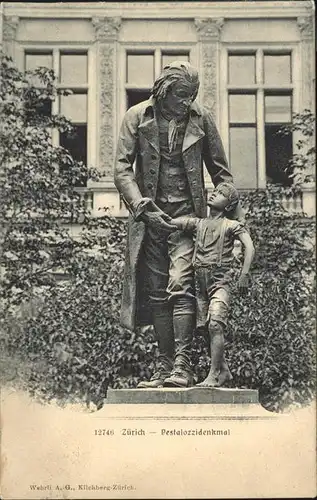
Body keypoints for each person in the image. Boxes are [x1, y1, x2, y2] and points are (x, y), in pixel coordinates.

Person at [114, 60, 243, 388]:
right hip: (151, 219)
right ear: (163, 91)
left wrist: (223, 200)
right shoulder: (136, 117)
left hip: (188, 220)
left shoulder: (201, 119)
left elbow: (223, 176)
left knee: (181, 285)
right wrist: (141, 205)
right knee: (157, 293)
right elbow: (121, 169)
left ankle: (183, 366)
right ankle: (164, 367)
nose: (188, 103)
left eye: (192, 96)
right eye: (182, 96)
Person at [169, 182, 255, 387]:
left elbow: (249, 246)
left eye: (222, 194)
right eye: (215, 191)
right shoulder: (198, 223)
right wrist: (150, 214)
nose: (214, 194)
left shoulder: (230, 225)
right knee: (205, 328)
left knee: (216, 324)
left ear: (228, 206)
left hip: (220, 283)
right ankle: (224, 370)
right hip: (201, 285)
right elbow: (171, 223)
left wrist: (244, 274)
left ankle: (214, 374)